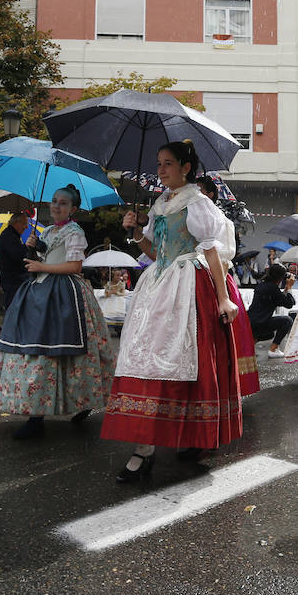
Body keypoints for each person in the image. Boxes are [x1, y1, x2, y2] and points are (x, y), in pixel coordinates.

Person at [101, 141, 243, 481]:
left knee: (181, 360)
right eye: (159, 163)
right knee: (145, 360)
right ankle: (143, 447)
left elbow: (210, 252)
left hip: (187, 286)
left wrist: (224, 299)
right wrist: (136, 233)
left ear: (186, 168)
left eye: (167, 164)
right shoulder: (160, 203)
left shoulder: (198, 203)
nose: (161, 170)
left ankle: (188, 437)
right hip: (156, 286)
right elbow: (154, 251)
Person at [0, 185, 115, 439]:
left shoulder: (75, 231)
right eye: (54, 201)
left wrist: (41, 264)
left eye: (63, 203)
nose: (56, 206)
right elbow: (47, 255)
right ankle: (36, 413)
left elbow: (75, 266)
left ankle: (76, 403)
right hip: (39, 291)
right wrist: (35, 246)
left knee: (60, 352)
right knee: (37, 350)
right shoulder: (50, 230)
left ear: (74, 209)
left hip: (65, 295)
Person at [248, 263, 296, 358]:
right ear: (280, 277)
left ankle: (249, 346)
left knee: (269, 334)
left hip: (250, 321)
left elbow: (278, 300)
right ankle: (273, 349)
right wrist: (289, 287)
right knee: (287, 321)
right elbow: (289, 304)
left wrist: (286, 290)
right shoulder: (273, 288)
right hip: (260, 323)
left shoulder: (262, 285)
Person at [0, 212, 43, 310]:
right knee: (14, 310)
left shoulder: (13, 235)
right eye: (24, 224)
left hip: (16, 280)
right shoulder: (8, 236)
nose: (26, 227)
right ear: (16, 223)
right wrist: (27, 246)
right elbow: (17, 255)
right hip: (13, 281)